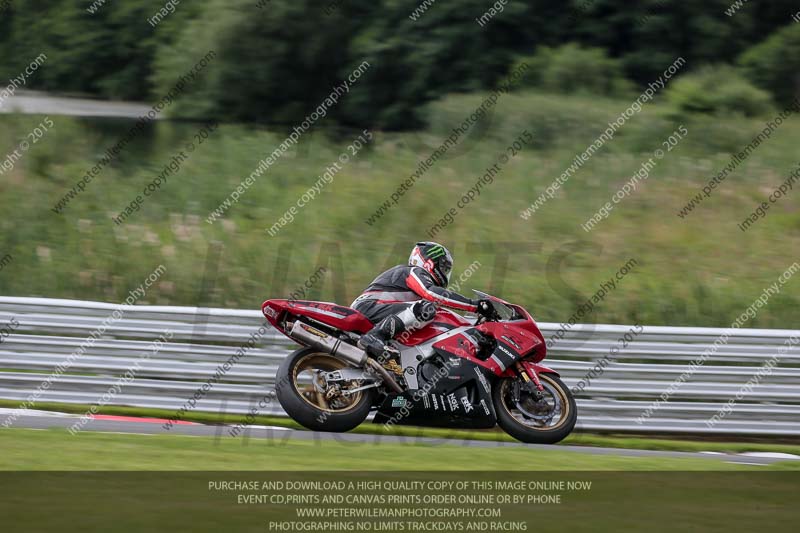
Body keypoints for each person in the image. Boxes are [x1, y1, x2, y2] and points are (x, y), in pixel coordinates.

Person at [351, 241, 491, 360]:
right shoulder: (412, 271)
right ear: (429, 262)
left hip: (376, 310)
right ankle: (375, 337)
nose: (444, 272)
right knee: (425, 309)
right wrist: (475, 305)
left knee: (432, 313)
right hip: (368, 307)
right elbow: (431, 292)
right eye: (443, 267)